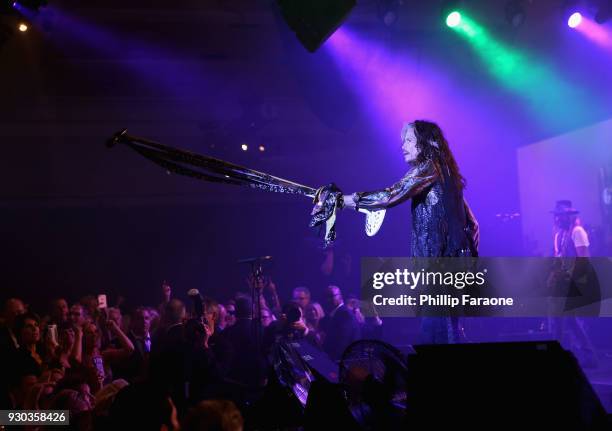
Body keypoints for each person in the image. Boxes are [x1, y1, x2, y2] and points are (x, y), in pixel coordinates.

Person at [342, 120, 479, 344]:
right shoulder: (444, 172)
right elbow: (473, 224)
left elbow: (389, 195)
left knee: (437, 338)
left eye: (408, 140)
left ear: (424, 143)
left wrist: (342, 201)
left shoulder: (429, 167)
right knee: (445, 333)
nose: (403, 146)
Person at [548, 200, 599, 367]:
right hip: (563, 283)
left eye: (559, 216)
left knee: (566, 319)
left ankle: (586, 356)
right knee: (565, 320)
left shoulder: (577, 232)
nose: (556, 219)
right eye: (555, 216)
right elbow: (559, 259)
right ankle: (587, 356)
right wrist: (553, 276)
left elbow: (583, 259)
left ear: (567, 217)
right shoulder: (558, 235)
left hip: (575, 282)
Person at [319, 285, 360, 360]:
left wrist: (334, 362)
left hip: (340, 361)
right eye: (326, 297)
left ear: (340, 297)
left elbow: (343, 342)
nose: (328, 300)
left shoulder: (345, 314)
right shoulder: (334, 314)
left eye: (331, 296)